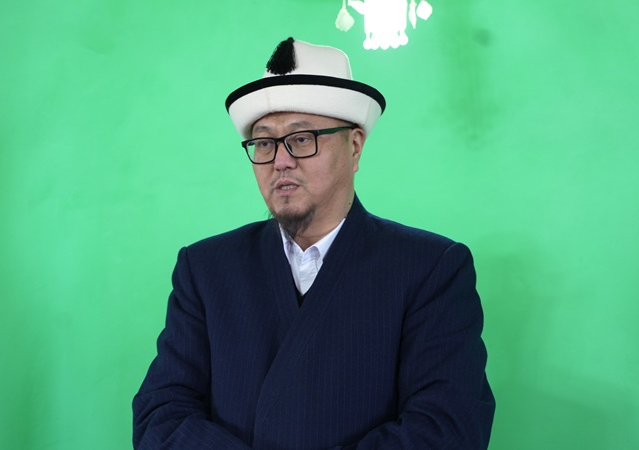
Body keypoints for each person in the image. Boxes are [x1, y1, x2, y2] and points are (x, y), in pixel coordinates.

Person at [133, 37, 495, 449]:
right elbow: (161, 413)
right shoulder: (206, 268)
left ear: (354, 146)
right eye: (264, 143)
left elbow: (447, 427)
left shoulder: (429, 268)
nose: (280, 161)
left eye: (302, 138)